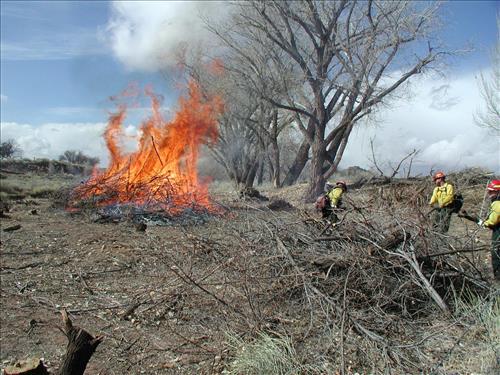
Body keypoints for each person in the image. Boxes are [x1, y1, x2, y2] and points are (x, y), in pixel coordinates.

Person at [478, 180, 500, 280]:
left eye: (492, 191)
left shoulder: (497, 204)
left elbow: (492, 221)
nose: (489, 193)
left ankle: (498, 278)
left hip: (498, 232)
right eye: (489, 191)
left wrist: (483, 223)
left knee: (496, 253)